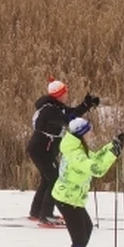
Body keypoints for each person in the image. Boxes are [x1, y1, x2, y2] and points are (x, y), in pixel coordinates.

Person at [26, 79, 100, 224]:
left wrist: (86, 105)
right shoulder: (49, 110)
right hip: (41, 150)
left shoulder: (55, 106)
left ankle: (36, 212)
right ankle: (46, 216)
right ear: (59, 95)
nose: (67, 95)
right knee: (55, 180)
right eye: (65, 92)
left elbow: (71, 113)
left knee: (48, 179)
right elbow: (68, 120)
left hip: (43, 149)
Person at [51, 118, 124, 247]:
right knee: (78, 238)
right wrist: (113, 154)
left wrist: (112, 146)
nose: (91, 133)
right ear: (81, 133)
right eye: (89, 130)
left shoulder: (78, 147)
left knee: (87, 228)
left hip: (73, 197)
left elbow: (95, 158)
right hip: (67, 199)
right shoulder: (76, 154)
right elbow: (96, 169)